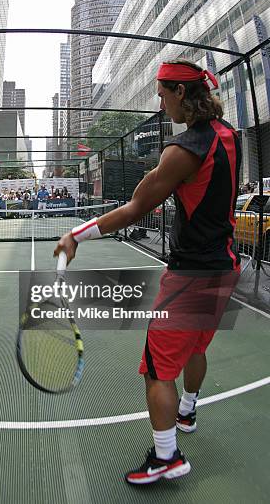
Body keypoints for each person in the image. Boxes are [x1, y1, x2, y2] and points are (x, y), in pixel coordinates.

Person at [54, 59, 241, 484]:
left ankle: (166, 457)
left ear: (180, 93)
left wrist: (76, 237)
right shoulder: (230, 135)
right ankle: (188, 411)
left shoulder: (183, 150)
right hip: (224, 268)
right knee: (196, 346)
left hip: (190, 274)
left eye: (161, 92)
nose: (159, 101)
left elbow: (137, 207)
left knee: (157, 370)